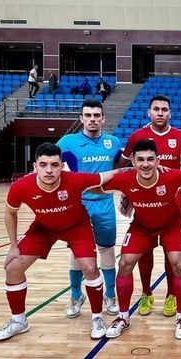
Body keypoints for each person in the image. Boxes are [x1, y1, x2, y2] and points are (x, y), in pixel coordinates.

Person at [0, 142, 121, 342]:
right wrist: (13, 247)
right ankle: (19, 321)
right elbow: (10, 213)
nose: (49, 170)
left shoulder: (75, 179)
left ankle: (97, 317)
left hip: (77, 227)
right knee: (12, 268)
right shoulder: (21, 186)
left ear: (62, 166)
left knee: (89, 268)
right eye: (43, 165)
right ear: (35, 166)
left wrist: (138, 168)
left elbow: (109, 175)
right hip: (43, 229)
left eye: (54, 165)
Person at [99, 140, 181, 339]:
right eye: (140, 159)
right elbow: (94, 186)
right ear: (133, 161)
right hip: (141, 227)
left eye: (150, 159)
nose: (145, 164)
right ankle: (123, 317)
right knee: (125, 263)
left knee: (179, 264)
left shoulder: (173, 176)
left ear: (158, 161)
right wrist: (117, 171)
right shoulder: (124, 178)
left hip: (171, 226)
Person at [119, 95, 181, 318]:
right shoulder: (137, 136)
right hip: (144, 204)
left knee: (171, 254)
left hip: (172, 204)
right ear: (149, 112)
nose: (160, 113)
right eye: (156, 109)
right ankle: (146, 293)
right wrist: (127, 191)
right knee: (144, 252)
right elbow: (122, 166)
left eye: (164, 109)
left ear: (170, 113)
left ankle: (171, 295)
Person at [57, 99, 123, 320]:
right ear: (81, 118)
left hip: (104, 203)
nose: (92, 119)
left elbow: (120, 171)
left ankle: (110, 295)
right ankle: (76, 296)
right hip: (78, 204)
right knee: (77, 251)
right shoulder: (67, 142)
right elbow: (51, 164)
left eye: (96, 115)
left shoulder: (113, 142)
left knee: (107, 249)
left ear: (103, 119)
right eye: (88, 115)